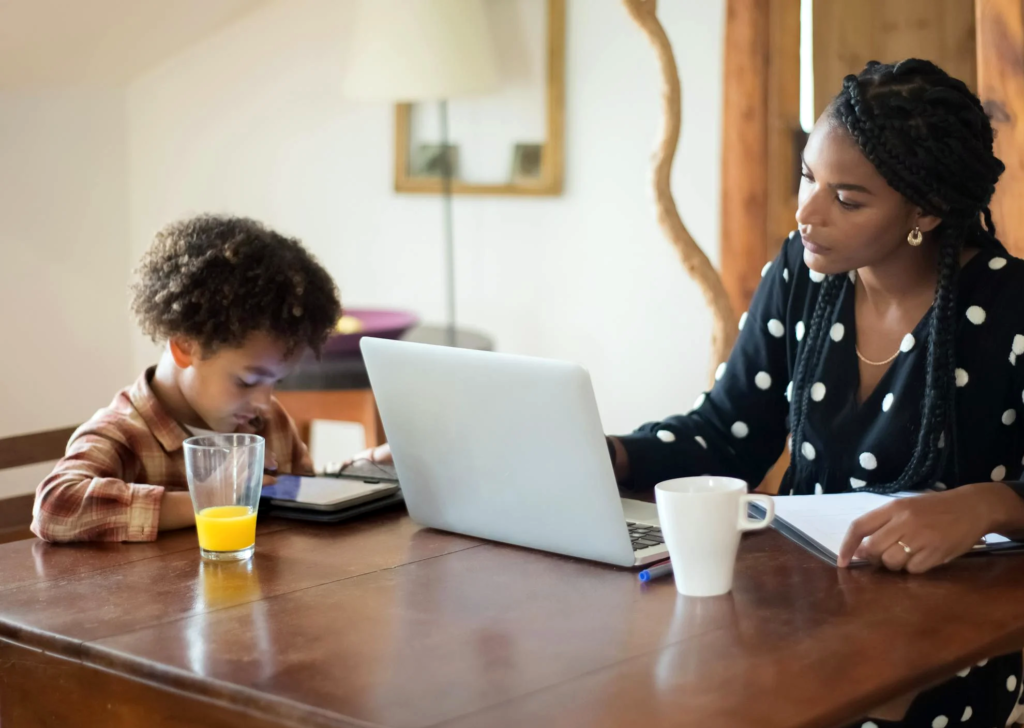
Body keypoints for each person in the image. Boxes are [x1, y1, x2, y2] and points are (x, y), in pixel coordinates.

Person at [351, 60, 1024, 727]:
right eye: (807, 177)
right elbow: (728, 434)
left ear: (927, 211)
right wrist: (601, 453)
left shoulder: (1011, 308)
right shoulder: (802, 275)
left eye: (847, 199)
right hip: (808, 622)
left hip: (949, 645)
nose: (808, 212)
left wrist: (990, 504)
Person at [32, 215, 342, 543]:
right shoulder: (124, 434)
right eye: (247, 381)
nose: (264, 402)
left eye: (275, 382)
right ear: (185, 346)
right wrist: (210, 498)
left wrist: (367, 471)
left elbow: (303, 495)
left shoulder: (268, 423)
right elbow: (55, 507)